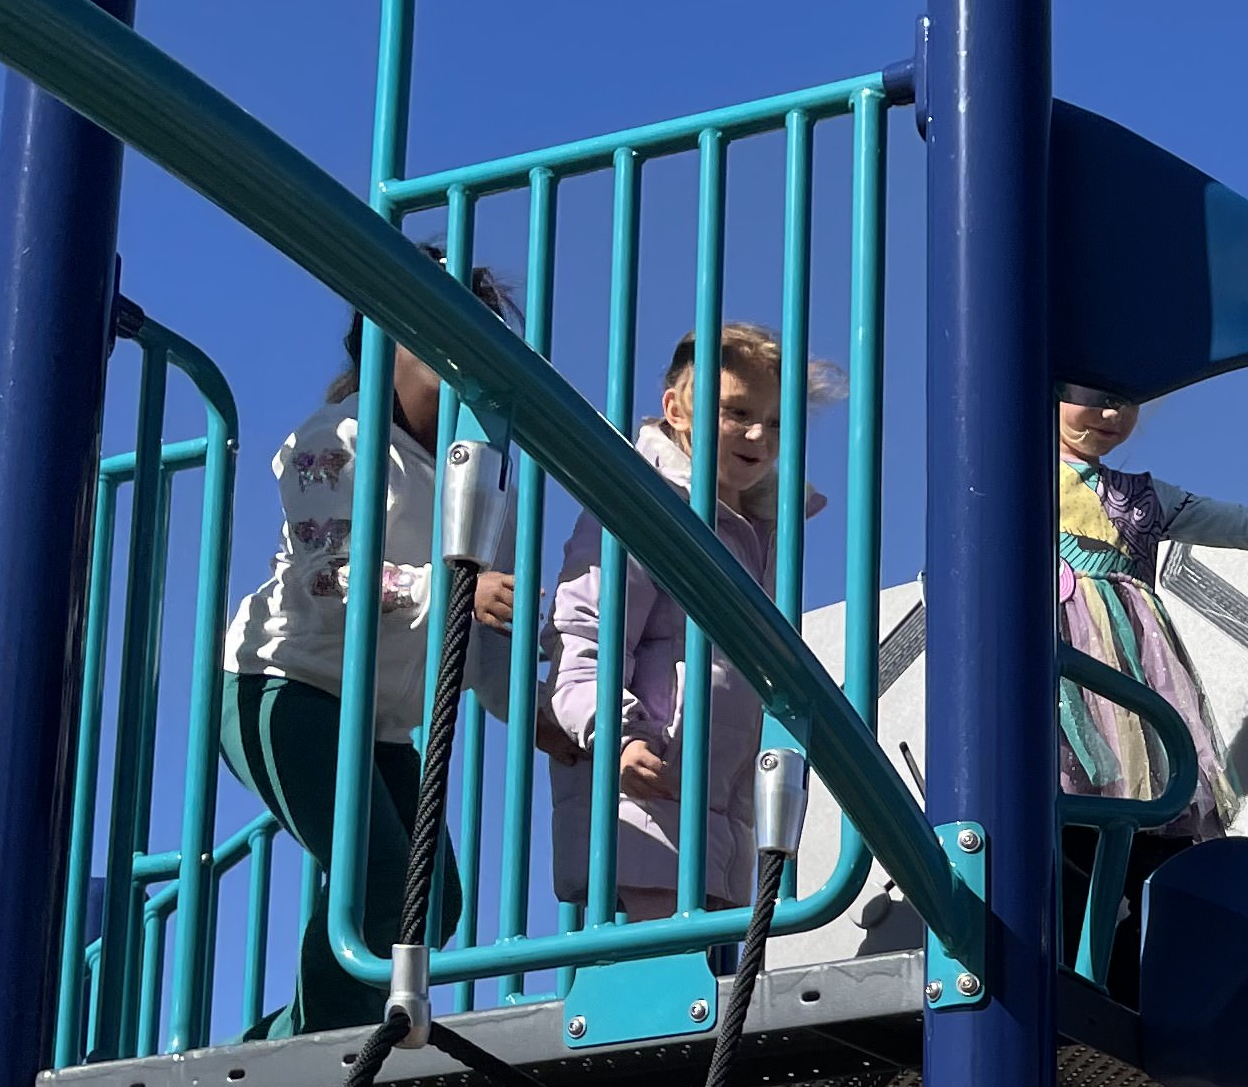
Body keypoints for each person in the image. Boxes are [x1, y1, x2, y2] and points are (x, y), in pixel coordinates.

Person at [220, 264, 521, 1035]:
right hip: (283, 687)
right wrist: (449, 593)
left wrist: (540, 718)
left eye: (481, 348)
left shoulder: (477, 482)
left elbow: (477, 636)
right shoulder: (339, 441)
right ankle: (320, 1048)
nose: (467, 367)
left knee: (432, 901)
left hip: (377, 717)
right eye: (445, 347)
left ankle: (285, 1040)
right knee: (381, 878)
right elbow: (330, 574)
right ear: (388, 351)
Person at [543, 326, 820, 924]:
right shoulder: (644, 505)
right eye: (737, 411)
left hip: (719, 816)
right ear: (676, 409)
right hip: (646, 798)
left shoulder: (755, 530)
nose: (758, 435)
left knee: (711, 991)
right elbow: (583, 634)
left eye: (775, 421)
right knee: (660, 984)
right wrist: (619, 735)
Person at [1054, 383, 1248, 849]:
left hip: (1133, 685)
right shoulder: (1011, 484)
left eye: (1125, 400)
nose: (1111, 415)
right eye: (1094, 396)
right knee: (1062, 812)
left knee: (1148, 820)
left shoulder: (1143, 496)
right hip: (1056, 675)